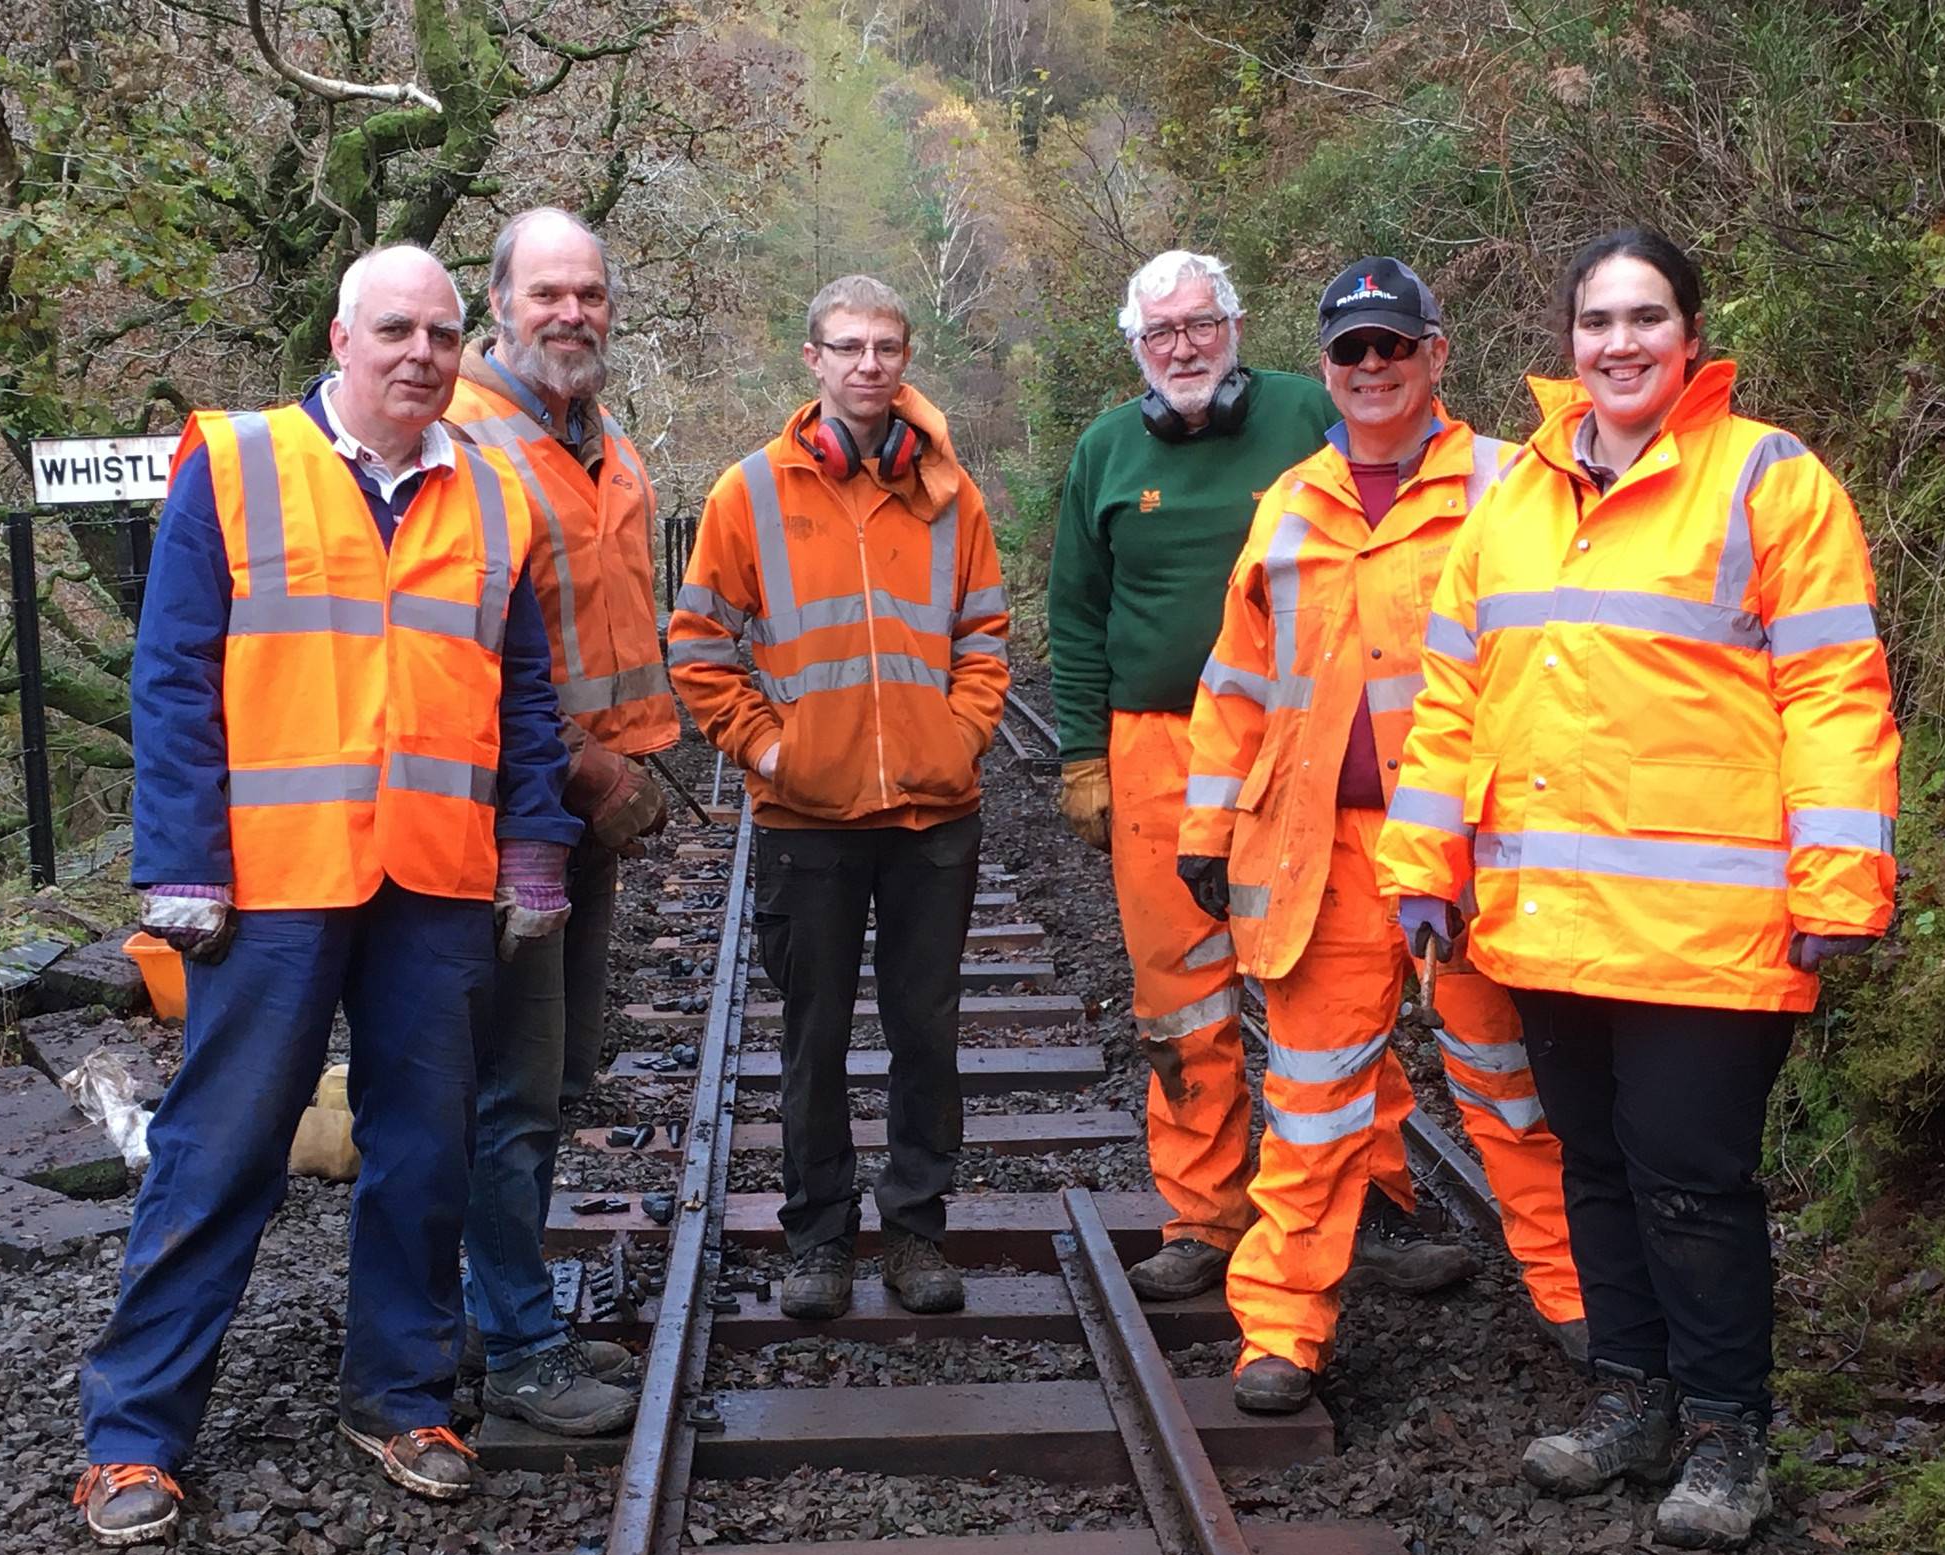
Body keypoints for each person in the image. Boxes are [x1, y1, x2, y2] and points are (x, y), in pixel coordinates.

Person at [1375, 228, 1901, 1547]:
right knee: (1590, 1167)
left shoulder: (1763, 481)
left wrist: (1837, 882)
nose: (1618, 342)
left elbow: (1831, 689)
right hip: (1546, 922)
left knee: (1688, 1178)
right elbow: (1452, 707)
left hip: (1707, 929)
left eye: (1644, 317)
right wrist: (1423, 866)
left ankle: (1726, 1431)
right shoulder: (1511, 502)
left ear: (1691, 334)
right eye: (1596, 319)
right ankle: (1631, 1398)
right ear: (1565, 340)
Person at [76, 244, 583, 1544]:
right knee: (220, 1146)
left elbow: (523, 696)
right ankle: (133, 1435)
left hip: (432, 880)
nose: (421, 351)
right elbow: (174, 672)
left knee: (424, 1151)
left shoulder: (495, 496)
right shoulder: (238, 465)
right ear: (341, 336)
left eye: (442, 331)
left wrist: (530, 847)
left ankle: (400, 1396)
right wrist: (180, 861)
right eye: (395, 329)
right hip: (270, 884)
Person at [1177, 257, 1584, 1416]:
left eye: (1390, 347)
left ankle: (1576, 1297)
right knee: (1309, 1099)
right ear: (1324, 368)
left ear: (1433, 353)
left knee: (1513, 1090)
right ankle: (1280, 1329)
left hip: (1468, 853)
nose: (1370, 368)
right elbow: (1238, 686)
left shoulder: (1513, 488)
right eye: (1349, 352)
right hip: (1324, 854)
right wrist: (1209, 825)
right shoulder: (1289, 506)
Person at [667, 274, 1009, 1322]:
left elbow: (985, 636)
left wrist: (955, 739)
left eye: (887, 347)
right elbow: (698, 646)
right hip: (804, 821)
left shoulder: (951, 491)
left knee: (927, 1032)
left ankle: (915, 1231)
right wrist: (770, 752)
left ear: (906, 361)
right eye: (848, 346)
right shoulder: (749, 493)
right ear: (810, 360)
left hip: (931, 816)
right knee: (811, 1037)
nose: (869, 364)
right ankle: (816, 1237)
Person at [1042, 251, 1340, 1303]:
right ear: (1133, 347)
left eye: (1200, 324)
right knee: (1180, 996)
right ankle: (1203, 1214)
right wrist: (1082, 753)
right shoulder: (1107, 452)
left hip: (1297, 747)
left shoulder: (1311, 414)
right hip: (1156, 745)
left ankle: (1363, 1207)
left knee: (1326, 985)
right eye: (1160, 332)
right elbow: (1074, 614)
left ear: (1236, 325)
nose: (1183, 346)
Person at [442, 207, 676, 1437]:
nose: (571, 312)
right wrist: (591, 774)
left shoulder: (605, 442)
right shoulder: (467, 443)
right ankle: (519, 1347)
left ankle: (498, 1306)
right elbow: (470, 659)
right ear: (498, 304)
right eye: (547, 293)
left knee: (560, 1072)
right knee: (512, 1088)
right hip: (504, 821)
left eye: (587, 291)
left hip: (588, 819)